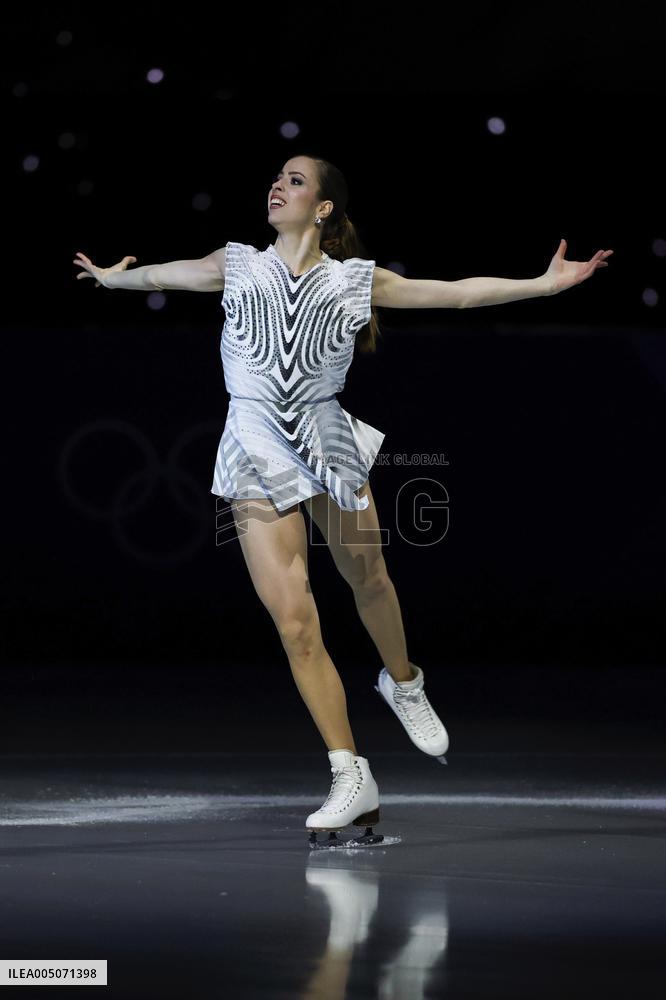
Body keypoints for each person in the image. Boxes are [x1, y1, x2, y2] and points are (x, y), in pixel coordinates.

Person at [73, 153, 613, 845]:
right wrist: (116, 279)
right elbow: (161, 274)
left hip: (324, 433)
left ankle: (404, 681)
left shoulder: (356, 280)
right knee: (295, 621)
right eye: (276, 177)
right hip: (253, 439)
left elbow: (458, 294)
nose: (277, 185)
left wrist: (544, 285)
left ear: (324, 208)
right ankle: (350, 773)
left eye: (295, 181)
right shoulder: (236, 262)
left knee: (370, 579)